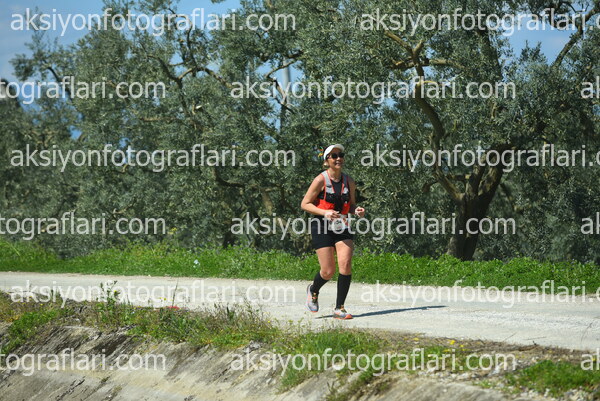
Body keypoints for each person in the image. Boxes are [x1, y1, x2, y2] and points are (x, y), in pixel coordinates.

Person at [301, 144, 365, 319]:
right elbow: (305, 204)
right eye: (334, 156)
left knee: (345, 264)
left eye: (341, 155)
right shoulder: (320, 180)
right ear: (326, 161)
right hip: (321, 225)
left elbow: (351, 205)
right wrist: (325, 212)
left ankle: (339, 308)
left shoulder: (349, 181)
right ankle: (313, 289)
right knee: (328, 271)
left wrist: (357, 210)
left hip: (342, 225)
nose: (338, 158)